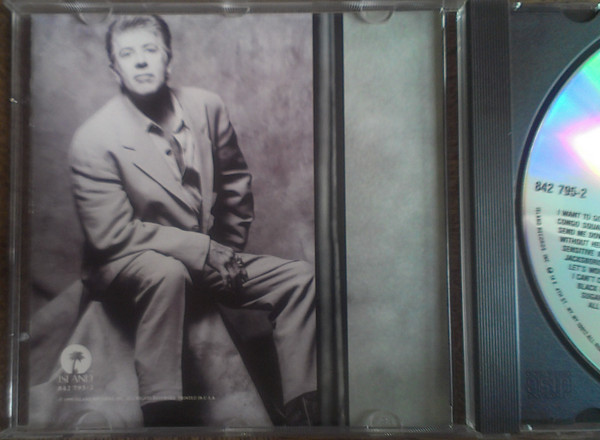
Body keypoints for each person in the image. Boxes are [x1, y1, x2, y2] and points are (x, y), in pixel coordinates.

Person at [68, 14, 317, 427]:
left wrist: (227, 250)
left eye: (150, 50)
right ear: (114, 69)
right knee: (167, 272)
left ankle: (304, 411)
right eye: (127, 54)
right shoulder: (94, 138)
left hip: (202, 255)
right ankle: (162, 412)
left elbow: (235, 182)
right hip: (126, 262)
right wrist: (203, 250)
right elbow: (112, 234)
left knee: (302, 279)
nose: (141, 61)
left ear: (168, 57)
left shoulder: (206, 106)